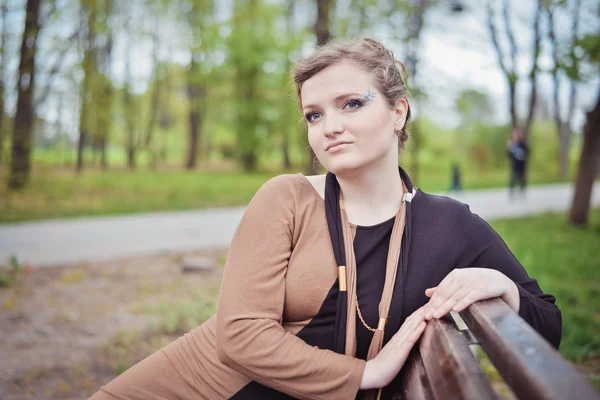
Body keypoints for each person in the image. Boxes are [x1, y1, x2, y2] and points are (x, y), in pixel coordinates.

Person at [89, 38, 561, 400]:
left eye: (351, 104)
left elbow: (548, 324)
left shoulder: (451, 225)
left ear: (398, 111)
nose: (329, 126)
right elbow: (239, 336)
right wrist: (368, 374)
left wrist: (496, 282)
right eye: (314, 115)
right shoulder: (286, 199)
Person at [507, 127, 530, 200]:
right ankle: (511, 194)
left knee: (522, 179)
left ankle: (522, 192)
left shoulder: (523, 144)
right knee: (513, 179)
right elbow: (509, 155)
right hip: (514, 165)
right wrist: (509, 149)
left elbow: (527, 153)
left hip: (522, 165)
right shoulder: (512, 144)